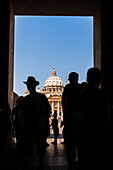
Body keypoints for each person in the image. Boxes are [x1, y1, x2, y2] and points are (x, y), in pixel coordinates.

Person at [78, 67, 109, 170]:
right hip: (98, 132)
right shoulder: (101, 94)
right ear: (99, 79)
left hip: (84, 131)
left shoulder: (82, 93)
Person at [23, 76, 51, 170]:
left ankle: (40, 164)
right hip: (32, 126)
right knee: (32, 147)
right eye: (28, 85)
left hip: (38, 126)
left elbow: (47, 110)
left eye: (30, 85)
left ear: (34, 86)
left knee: (39, 147)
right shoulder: (28, 99)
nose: (29, 87)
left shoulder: (40, 97)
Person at [62, 72, 81, 170]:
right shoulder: (81, 88)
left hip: (70, 117)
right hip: (80, 117)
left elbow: (64, 103)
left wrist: (65, 117)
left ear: (69, 79)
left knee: (70, 144)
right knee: (80, 142)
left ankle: (71, 162)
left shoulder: (67, 88)